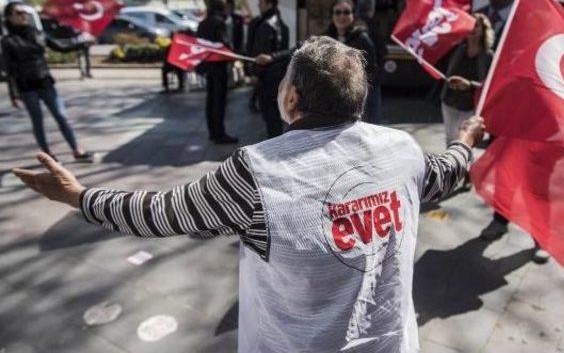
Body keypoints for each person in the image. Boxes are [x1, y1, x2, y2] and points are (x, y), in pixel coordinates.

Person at [13, 35, 486, 353]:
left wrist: (78, 196)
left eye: (284, 84)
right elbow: (445, 171)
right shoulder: (400, 150)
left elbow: (158, 213)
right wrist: (464, 140)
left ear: (293, 99)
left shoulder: (258, 171)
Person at [2, 2, 93, 162]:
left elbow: (60, 47)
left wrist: (83, 43)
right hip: (26, 87)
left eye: (24, 12)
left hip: (46, 83)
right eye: (19, 13)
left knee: (62, 116)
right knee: (38, 122)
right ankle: (48, 155)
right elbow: (9, 71)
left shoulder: (37, 33)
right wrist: (13, 94)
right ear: (9, 17)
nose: (24, 15)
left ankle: (77, 150)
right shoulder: (8, 41)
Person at [441, 14, 494, 145]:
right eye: (470, 25)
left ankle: (464, 166)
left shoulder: (488, 55)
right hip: (449, 101)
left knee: (463, 143)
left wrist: (469, 85)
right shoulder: (459, 49)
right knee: (450, 141)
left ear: (483, 31)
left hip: (470, 106)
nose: (473, 29)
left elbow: (489, 85)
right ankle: (451, 166)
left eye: (477, 26)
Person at [246, 0, 290, 137]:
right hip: (277, 77)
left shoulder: (265, 25)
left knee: (270, 116)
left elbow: (261, 53)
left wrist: (255, 74)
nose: (258, 5)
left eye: (261, 2)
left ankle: (274, 146)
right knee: (275, 115)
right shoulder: (281, 24)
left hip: (268, 78)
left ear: (269, 4)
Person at [197, 0, 238, 144]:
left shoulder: (203, 23)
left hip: (207, 66)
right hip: (218, 66)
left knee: (210, 99)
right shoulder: (219, 22)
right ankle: (219, 133)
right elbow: (224, 45)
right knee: (219, 101)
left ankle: (212, 132)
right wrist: (233, 52)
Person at [356, 0, 386, 123]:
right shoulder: (375, 27)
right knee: (373, 115)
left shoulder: (352, 25)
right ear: (371, 10)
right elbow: (382, 51)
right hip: (372, 78)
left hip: (354, 78)